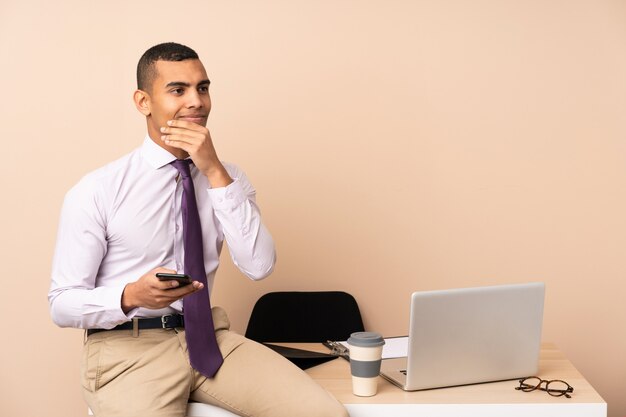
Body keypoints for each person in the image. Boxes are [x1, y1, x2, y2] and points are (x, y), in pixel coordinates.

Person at [48, 42, 348, 417]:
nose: (196, 102)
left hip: (209, 339)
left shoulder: (228, 178)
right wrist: (131, 295)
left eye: (202, 88)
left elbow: (259, 266)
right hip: (128, 348)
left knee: (324, 414)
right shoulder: (97, 190)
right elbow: (61, 304)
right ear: (143, 102)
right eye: (178, 90)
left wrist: (214, 172)